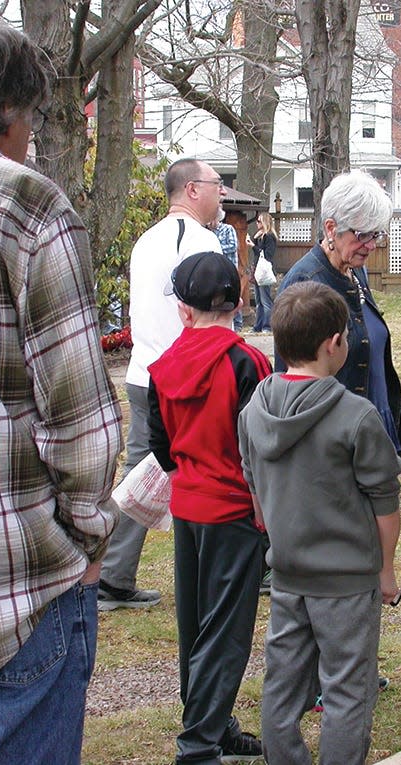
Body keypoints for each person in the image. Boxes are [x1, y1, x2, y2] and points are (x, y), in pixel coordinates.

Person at [0, 16, 123, 764]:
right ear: (10, 111)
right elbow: (82, 423)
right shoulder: (25, 204)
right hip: (18, 590)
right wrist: (87, 540)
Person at [239, 282, 401, 765]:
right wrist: (386, 569)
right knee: (348, 691)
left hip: (288, 575)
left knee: (282, 686)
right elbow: (385, 501)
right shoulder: (356, 416)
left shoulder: (253, 412)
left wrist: (273, 523)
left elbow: (255, 488)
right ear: (334, 343)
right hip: (348, 581)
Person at [148, 251, 271, 764]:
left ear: (183, 308)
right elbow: (260, 446)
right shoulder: (249, 362)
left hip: (189, 506)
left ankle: (212, 725)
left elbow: (159, 445)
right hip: (236, 511)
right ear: (239, 303)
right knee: (225, 632)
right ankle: (198, 746)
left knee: (196, 623)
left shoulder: (162, 366)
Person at [98, 157, 226, 611]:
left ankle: (113, 575)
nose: (222, 193)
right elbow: (207, 314)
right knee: (209, 471)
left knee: (140, 472)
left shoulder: (144, 242)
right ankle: (220, 569)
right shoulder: (201, 241)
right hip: (187, 378)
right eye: (216, 184)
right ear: (192, 190)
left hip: (142, 371)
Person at [278, 170, 401, 475]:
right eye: (362, 234)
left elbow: (376, 359)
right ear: (331, 228)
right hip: (334, 446)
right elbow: (290, 380)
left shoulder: (355, 272)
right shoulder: (305, 283)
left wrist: (400, 431)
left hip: (374, 429)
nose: (371, 244)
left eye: (376, 234)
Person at [213, 211, 243, 332]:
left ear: (217, 219)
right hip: (217, 270)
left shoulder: (228, 229)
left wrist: (216, 247)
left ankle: (238, 324)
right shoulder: (210, 232)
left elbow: (233, 246)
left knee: (234, 295)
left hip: (230, 269)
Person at [249, 211, 277, 333]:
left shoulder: (269, 236)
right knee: (259, 301)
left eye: (259, 221)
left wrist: (253, 246)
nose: (257, 223)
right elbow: (257, 253)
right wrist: (254, 241)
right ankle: (258, 325)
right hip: (257, 271)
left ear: (264, 222)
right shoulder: (260, 236)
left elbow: (267, 255)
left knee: (265, 301)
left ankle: (267, 326)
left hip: (264, 271)